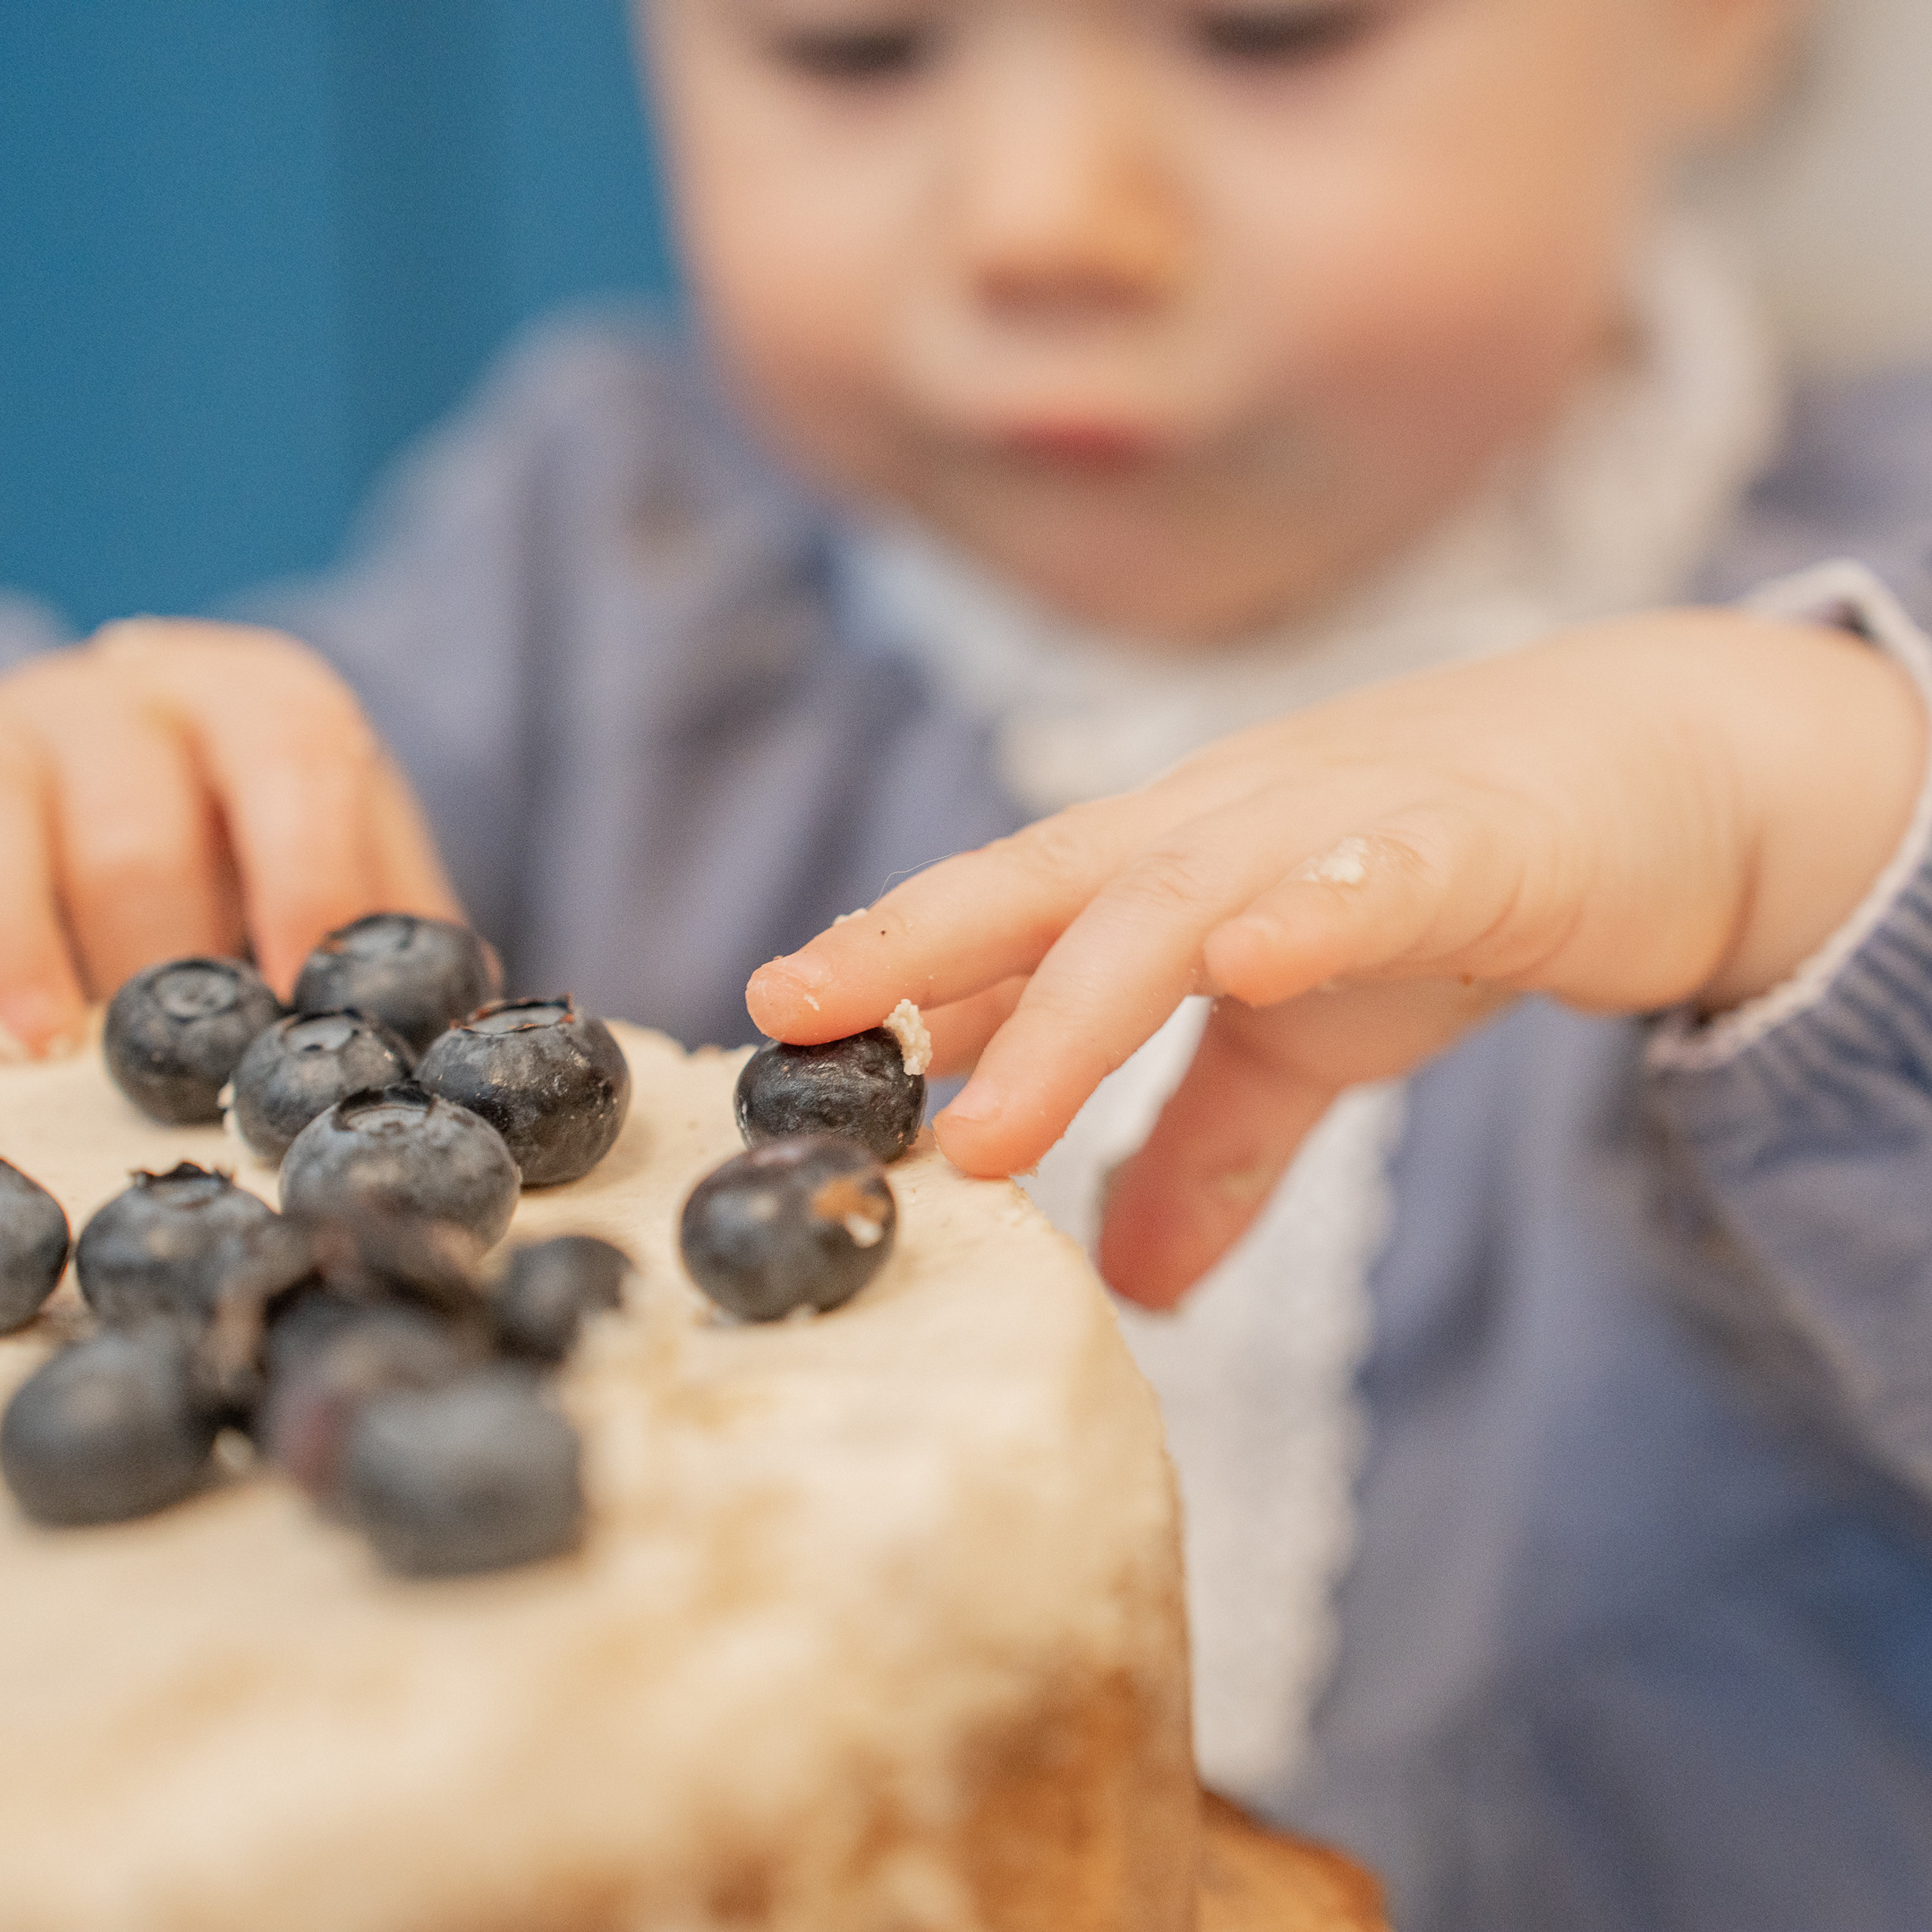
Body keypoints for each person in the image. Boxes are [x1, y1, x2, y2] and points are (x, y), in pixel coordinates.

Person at [5, 0, 1932, 1923]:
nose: (1041, 222)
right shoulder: (585, 566)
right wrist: (83, 786)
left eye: (1272, 34)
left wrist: (1801, 820)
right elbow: (157, 949)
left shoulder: (1867, 651)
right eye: (849, 52)